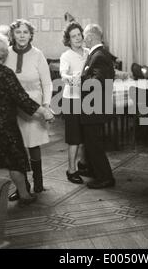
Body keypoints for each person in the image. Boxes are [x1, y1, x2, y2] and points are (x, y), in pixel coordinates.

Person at [0, 34, 54, 207]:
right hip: (2, 123)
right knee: (14, 158)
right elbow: (22, 99)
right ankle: (24, 194)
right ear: (4, 54)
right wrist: (44, 112)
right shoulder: (5, 73)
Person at [5, 19, 53, 198]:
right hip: (12, 108)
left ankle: (38, 182)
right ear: (12, 35)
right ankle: (22, 187)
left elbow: (47, 83)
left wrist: (46, 105)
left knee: (33, 144)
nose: (22, 36)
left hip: (34, 107)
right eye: (18, 32)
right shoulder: (6, 53)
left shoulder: (38, 54)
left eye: (25, 32)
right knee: (16, 148)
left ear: (31, 34)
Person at [80, 24, 116, 189]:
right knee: (90, 142)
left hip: (95, 106)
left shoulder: (99, 55)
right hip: (94, 106)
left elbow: (99, 81)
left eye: (84, 36)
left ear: (89, 37)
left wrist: (79, 81)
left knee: (94, 144)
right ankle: (94, 171)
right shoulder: (98, 54)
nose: (82, 39)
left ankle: (106, 178)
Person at [59, 21, 88, 184]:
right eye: (73, 36)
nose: (77, 38)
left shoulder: (88, 52)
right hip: (71, 100)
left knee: (85, 136)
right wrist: (72, 78)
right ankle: (71, 170)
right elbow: (63, 75)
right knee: (74, 138)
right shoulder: (66, 56)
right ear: (68, 40)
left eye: (79, 35)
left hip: (86, 99)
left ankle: (82, 165)